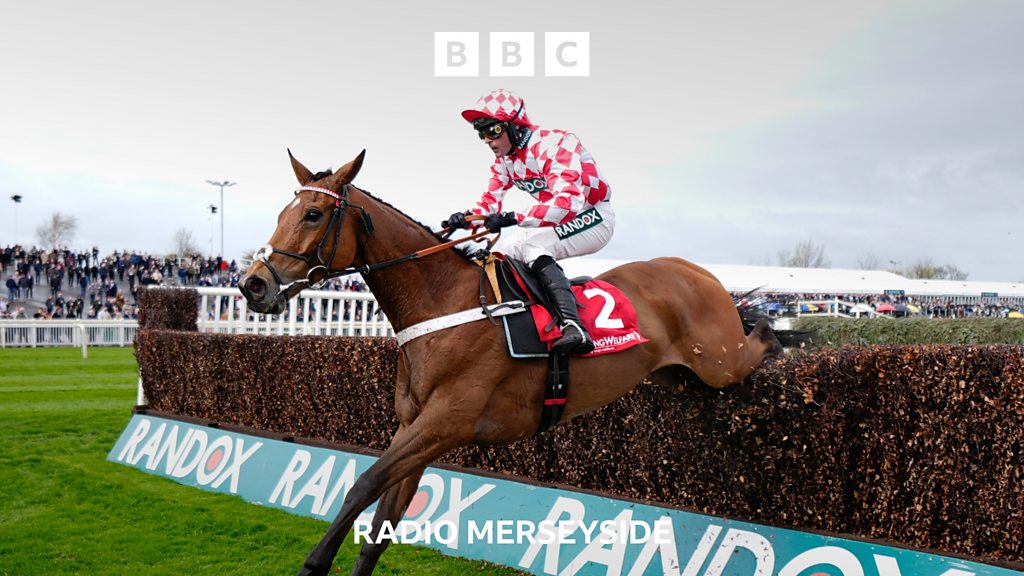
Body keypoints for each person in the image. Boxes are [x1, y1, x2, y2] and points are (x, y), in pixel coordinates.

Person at [445, 89, 614, 355]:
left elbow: (567, 203)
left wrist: (514, 218)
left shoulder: (555, 143)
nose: (488, 140)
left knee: (533, 247)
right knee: (500, 255)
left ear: (516, 126)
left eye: (493, 130)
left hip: (592, 214)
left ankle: (574, 327)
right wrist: (464, 220)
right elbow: (489, 205)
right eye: (481, 133)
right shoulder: (504, 161)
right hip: (553, 221)